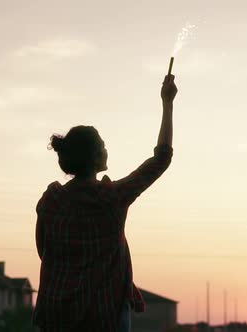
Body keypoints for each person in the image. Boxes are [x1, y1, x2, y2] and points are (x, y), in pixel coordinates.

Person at [34, 74, 178, 332]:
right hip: (104, 315)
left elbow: (43, 250)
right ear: (95, 157)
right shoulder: (111, 198)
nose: (107, 148)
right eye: (102, 145)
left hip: (56, 315)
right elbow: (161, 159)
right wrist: (167, 103)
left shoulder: (51, 200)